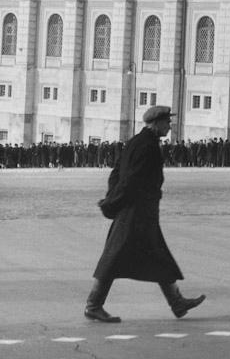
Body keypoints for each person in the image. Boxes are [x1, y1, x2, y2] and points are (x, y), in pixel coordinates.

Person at [84, 105, 206, 323]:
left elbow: (116, 173)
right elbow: (130, 180)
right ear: (156, 123)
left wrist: (112, 197)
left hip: (141, 212)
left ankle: (177, 303)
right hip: (135, 212)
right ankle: (93, 305)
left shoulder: (138, 142)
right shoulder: (146, 146)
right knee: (114, 257)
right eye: (167, 122)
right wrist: (113, 202)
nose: (170, 126)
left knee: (158, 256)